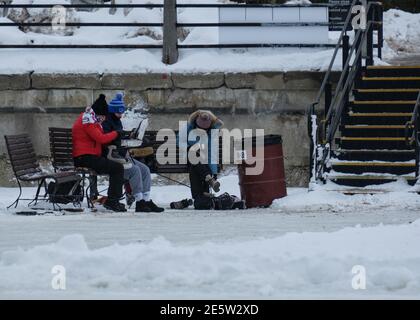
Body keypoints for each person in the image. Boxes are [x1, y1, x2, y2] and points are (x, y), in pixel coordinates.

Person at [102, 93, 164, 213]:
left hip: (122, 154)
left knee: (145, 169)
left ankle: (145, 200)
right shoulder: (106, 123)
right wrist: (123, 141)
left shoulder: (117, 121)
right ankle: (139, 201)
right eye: (119, 112)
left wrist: (129, 137)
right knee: (134, 170)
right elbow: (107, 140)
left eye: (121, 112)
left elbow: (118, 137)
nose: (121, 115)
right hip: (112, 157)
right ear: (113, 111)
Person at [72, 94, 127, 212]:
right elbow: (100, 138)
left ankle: (113, 200)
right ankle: (112, 202)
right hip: (84, 158)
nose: (104, 119)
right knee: (117, 168)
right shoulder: (88, 121)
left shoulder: (90, 118)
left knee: (116, 165)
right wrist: (117, 133)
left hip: (88, 156)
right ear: (98, 113)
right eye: (103, 116)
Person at [179, 110, 224, 209]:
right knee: (193, 154)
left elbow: (211, 152)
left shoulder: (212, 132)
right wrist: (188, 148)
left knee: (195, 167)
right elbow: (179, 141)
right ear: (196, 123)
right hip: (188, 156)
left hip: (201, 164)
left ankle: (200, 197)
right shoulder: (187, 127)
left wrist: (213, 171)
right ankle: (209, 180)